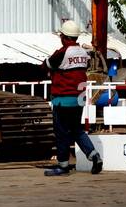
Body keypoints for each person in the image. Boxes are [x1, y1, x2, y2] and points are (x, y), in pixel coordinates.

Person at [43, 20, 103, 177]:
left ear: (63, 36)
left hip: (63, 99)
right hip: (79, 98)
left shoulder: (62, 52)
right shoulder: (84, 54)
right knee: (77, 129)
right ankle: (94, 155)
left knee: (61, 132)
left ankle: (63, 166)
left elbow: (46, 65)